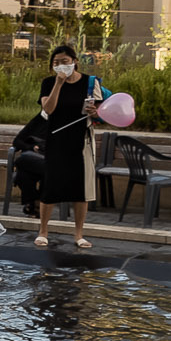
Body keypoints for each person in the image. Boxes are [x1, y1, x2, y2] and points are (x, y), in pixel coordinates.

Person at [34, 44, 104, 249]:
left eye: (64, 61)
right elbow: (48, 109)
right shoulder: (48, 83)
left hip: (81, 141)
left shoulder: (90, 83)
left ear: (75, 62)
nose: (61, 66)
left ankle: (79, 233)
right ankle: (43, 231)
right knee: (51, 186)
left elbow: (101, 114)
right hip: (56, 139)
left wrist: (94, 113)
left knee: (80, 189)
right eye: (56, 63)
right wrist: (58, 83)